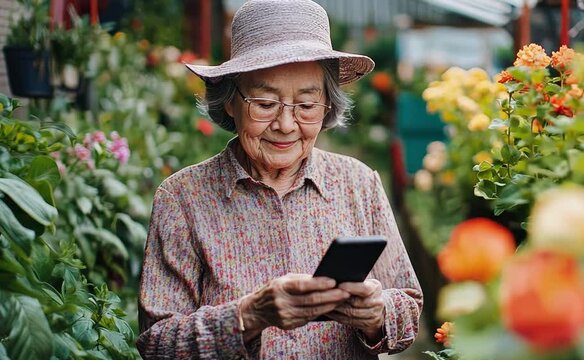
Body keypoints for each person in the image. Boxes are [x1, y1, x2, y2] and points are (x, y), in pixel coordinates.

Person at [136, 0, 423, 358]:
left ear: (327, 106)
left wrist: (377, 313)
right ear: (230, 101)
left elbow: (409, 307)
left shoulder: (358, 183)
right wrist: (248, 315)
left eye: (305, 105)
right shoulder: (182, 197)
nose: (285, 125)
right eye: (264, 102)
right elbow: (156, 343)